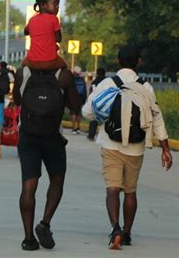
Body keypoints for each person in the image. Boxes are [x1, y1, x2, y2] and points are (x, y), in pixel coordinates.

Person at [82, 44, 173, 250]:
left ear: (118, 60)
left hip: (110, 144)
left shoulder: (107, 84)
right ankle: (127, 233)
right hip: (136, 147)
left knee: (112, 189)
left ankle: (115, 228)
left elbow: (88, 112)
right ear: (138, 62)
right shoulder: (146, 87)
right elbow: (157, 118)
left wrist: (104, 116)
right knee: (130, 191)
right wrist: (165, 148)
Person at [13, 62, 79, 251]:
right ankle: (45, 223)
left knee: (28, 186)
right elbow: (75, 106)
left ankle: (28, 239)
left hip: (27, 135)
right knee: (57, 180)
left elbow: (18, 100)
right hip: (52, 137)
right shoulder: (63, 75)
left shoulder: (22, 73)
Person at [22, 0, 67, 71]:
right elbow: (58, 39)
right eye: (55, 4)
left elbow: (25, 32)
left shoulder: (32, 20)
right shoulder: (54, 19)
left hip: (32, 62)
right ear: (43, 5)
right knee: (65, 67)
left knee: (21, 68)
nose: (57, 7)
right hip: (51, 61)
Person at [87, 68, 106, 141]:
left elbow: (91, 92)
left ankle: (91, 135)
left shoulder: (95, 81)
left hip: (95, 101)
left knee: (93, 119)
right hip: (104, 102)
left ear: (97, 73)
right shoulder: (107, 81)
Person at [71, 66, 87, 134]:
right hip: (80, 98)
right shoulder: (82, 80)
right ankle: (78, 128)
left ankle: (74, 128)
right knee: (78, 113)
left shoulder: (72, 79)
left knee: (73, 113)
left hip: (73, 98)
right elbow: (84, 91)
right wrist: (84, 99)